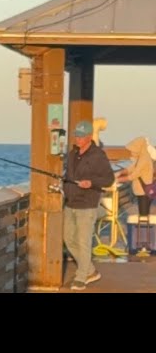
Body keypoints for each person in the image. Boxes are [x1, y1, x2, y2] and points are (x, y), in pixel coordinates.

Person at [63, 120, 115, 291]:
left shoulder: (98, 155)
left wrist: (91, 182)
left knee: (83, 242)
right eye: (76, 135)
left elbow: (109, 179)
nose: (77, 139)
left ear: (89, 137)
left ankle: (81, 277)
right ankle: (90, 270)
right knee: (69, 239)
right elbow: (67, 174)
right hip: (70, 203)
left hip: (87, 204)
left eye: (80, 136)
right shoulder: (72, 154)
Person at [115, 136, 154, 217]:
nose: (132, 151)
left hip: (144, 191)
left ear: (138, 147)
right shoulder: (141, 157)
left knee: (143, 216)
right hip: (142, 191)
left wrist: (118, 180)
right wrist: (120, 173)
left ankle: (143, 229)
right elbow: (131, 168)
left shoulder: (144, 159)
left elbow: (134, 174)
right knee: (143, 214)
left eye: (133, 149)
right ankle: (143, 227)